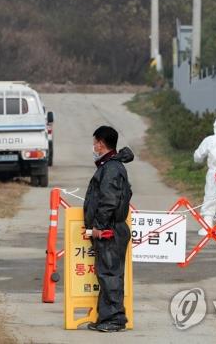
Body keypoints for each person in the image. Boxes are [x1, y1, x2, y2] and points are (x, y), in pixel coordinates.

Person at [84, 126, 133, 333]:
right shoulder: (109, 166)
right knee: (106, 274)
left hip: (110, 231)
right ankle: (106, 317)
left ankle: (114, 319)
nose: (94, 146)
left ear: (101, 143)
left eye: (95, 142)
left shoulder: (111, 168)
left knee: (110, 274)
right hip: (110, 229)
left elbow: (108, 201)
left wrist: (99, 227)